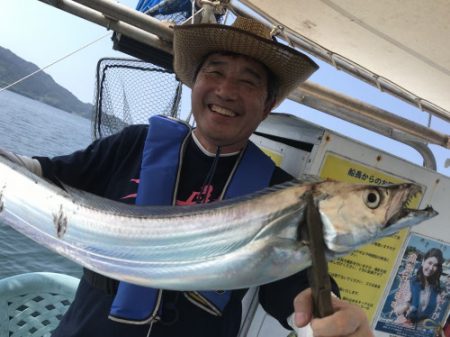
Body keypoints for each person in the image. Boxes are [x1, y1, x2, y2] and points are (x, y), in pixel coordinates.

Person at [5, 16, 374, 337]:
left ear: (268, 105)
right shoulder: (136, 143)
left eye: (249, 81)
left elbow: (293, 282)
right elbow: (47, 176)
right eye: (214, 71)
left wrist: (322, 312)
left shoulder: (281, 191)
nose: (226, 90)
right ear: (193, 83)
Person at [395, 248, 444, 326]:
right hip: (401, 326)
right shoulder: (410, 282)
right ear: (423, 261)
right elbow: (397, 310)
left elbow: (436, 316)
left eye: (435, 265)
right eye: (429, 263)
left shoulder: (437, 290)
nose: (431, 268)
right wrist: (406, 305)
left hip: (421, 330)